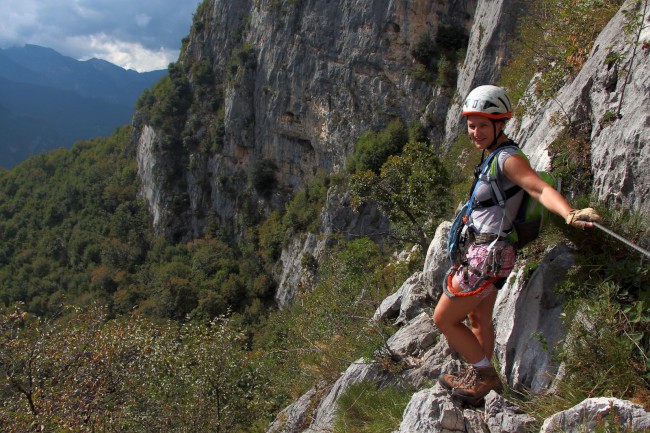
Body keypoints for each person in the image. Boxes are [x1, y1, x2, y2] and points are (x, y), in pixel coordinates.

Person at [432, 85, 601, 406]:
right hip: (491, 253)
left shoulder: (507, 159)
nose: (475, 132)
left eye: (483, 125)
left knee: (444, 318)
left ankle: (485, 375)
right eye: (471, 124)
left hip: (487, 257)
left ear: (501, 123)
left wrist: (569, 213)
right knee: (478, 319)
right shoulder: (494, 156)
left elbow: (537, 188)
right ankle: (481, 378)